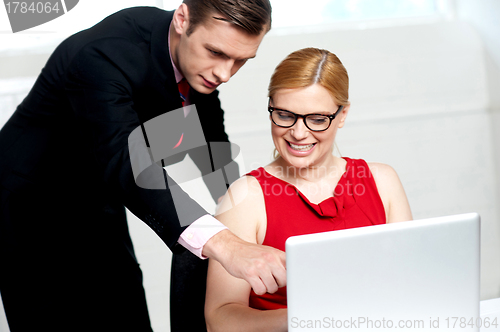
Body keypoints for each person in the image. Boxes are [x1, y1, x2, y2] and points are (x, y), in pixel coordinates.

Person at [0, 1, 286, 331]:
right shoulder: (104, 54)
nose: (225, 73)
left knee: (126, 309)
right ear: (183, 19)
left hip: (97, 194)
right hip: (31, 201)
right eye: (217, 53)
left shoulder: (197, 63)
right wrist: (227, 244)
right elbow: (128, 163)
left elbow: (211, 144)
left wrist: (248, 217)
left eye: (240, 61)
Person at [204, 47, 413, 332]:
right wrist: (314, 320)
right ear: (271, 109)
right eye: (285, 115)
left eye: (317, 119)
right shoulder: (245, 197)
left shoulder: (383, 181)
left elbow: (409, 284)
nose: (299, 133)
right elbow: (221, 319)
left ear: (342, 115)